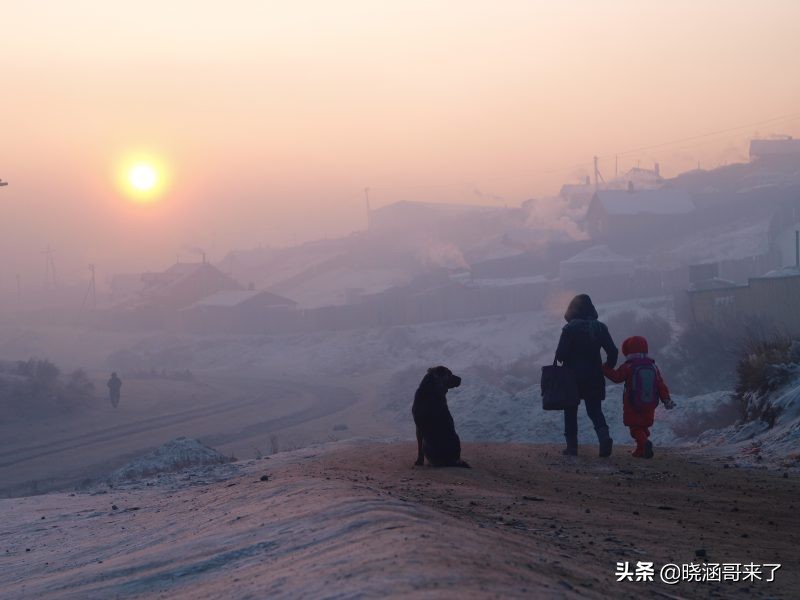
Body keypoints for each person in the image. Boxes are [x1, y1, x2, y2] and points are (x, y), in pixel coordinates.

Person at [555, 294, 618, 457]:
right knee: (595, 410)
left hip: (572, 378)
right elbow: (613, 351)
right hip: (594, 376)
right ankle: (604, 440)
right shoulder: (600, 327)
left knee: (570, 411)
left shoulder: (569, 329)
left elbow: (561, 355)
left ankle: (572, 448)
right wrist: (608, 366)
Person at [603, 336, 675, 458]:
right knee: (643, 426)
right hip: (650, 404)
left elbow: (617, 377)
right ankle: (641, 449)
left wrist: (605, 368)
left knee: (635, 427)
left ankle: (645, 443)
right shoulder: (653, 366)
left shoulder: (629, 366)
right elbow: (660, 384)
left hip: (632, 404)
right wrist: (666, 399)